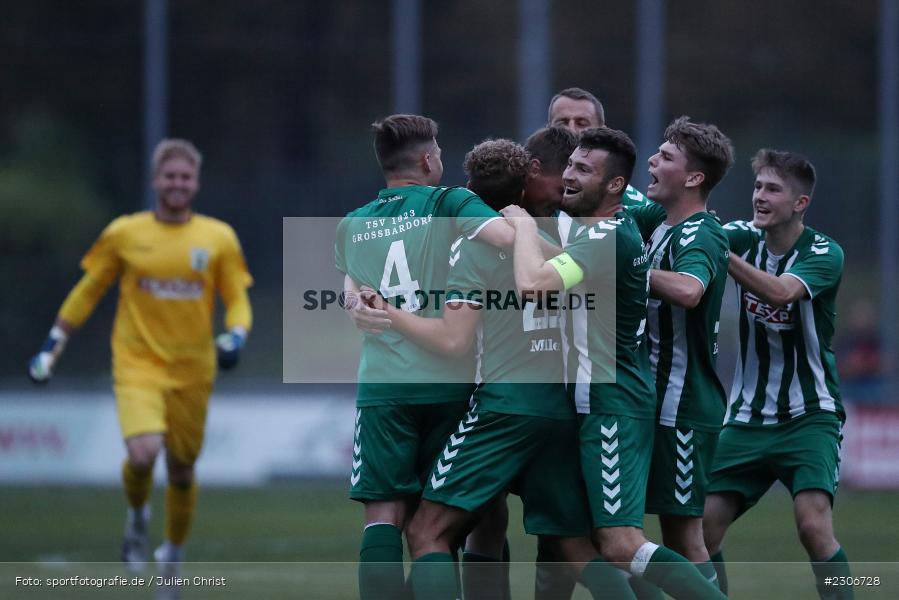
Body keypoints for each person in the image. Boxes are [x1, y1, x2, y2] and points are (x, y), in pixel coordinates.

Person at [365, 137, 631, 600]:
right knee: (574, 546)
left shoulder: (473, 250)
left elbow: (453, 340)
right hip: (560, 408)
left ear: (469, 190)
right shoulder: (563, 245)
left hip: (505, 407)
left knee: (427, 531)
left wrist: (390, 312)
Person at [504, 126, 726, 600]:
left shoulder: (609, 234)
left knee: (625, 543)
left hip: (617, 405)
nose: (568, 176)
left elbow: (532, 284)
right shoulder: (619, 225)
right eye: (569, 165)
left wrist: (523, 227)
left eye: (583, 169)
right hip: (604, 401)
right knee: (588, 542)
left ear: (613, 187)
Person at [28, 139, 253, 594]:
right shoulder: (124, 233)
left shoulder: (218, 238)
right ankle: (136, 517)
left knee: (183, 470)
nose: (177, 184)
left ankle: (172, 556)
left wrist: (236, 335)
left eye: (185, 177)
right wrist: (54, 344)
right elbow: (88, 290)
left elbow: (237, 300)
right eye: (169, 176)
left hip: (194, 369)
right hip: (138, 363)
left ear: (196, 183)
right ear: (156, 181)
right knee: (143, 452)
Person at [334, 114, 514, 600]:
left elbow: (351, 284)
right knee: (440, 525)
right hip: (449, 385)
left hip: (383, 388)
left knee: (382, 518)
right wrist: (514, 217)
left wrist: (353, 301)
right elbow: (505, 239)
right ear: (428, 159)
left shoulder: (353, 222)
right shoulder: (449, 201)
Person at [703, 149, 853, 599]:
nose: (759, 197)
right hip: (746, 417)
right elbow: (694, 232)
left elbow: (782, 293)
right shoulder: (738, 236)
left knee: (812, 526)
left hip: (810, 414)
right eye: (757, 187)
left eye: (772, 189)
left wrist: (719, 252)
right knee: (702, 529)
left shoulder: (825, 253)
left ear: (800, 203)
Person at [626, 116, 734, 592]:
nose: (652, 160)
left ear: (694, 178)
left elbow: (690, 290)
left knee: (687, 536)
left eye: (666, 156)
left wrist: (625, 272)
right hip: (658, 399)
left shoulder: (700, 233)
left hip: (684, 404)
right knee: (666, 533)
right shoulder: (662, 228)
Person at [548, 86, 649, 209]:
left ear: (602, 131)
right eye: (562, 123)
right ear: (548, 130)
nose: (571, 129)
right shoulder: (530, 186)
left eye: (582, 123)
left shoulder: (632, 202)